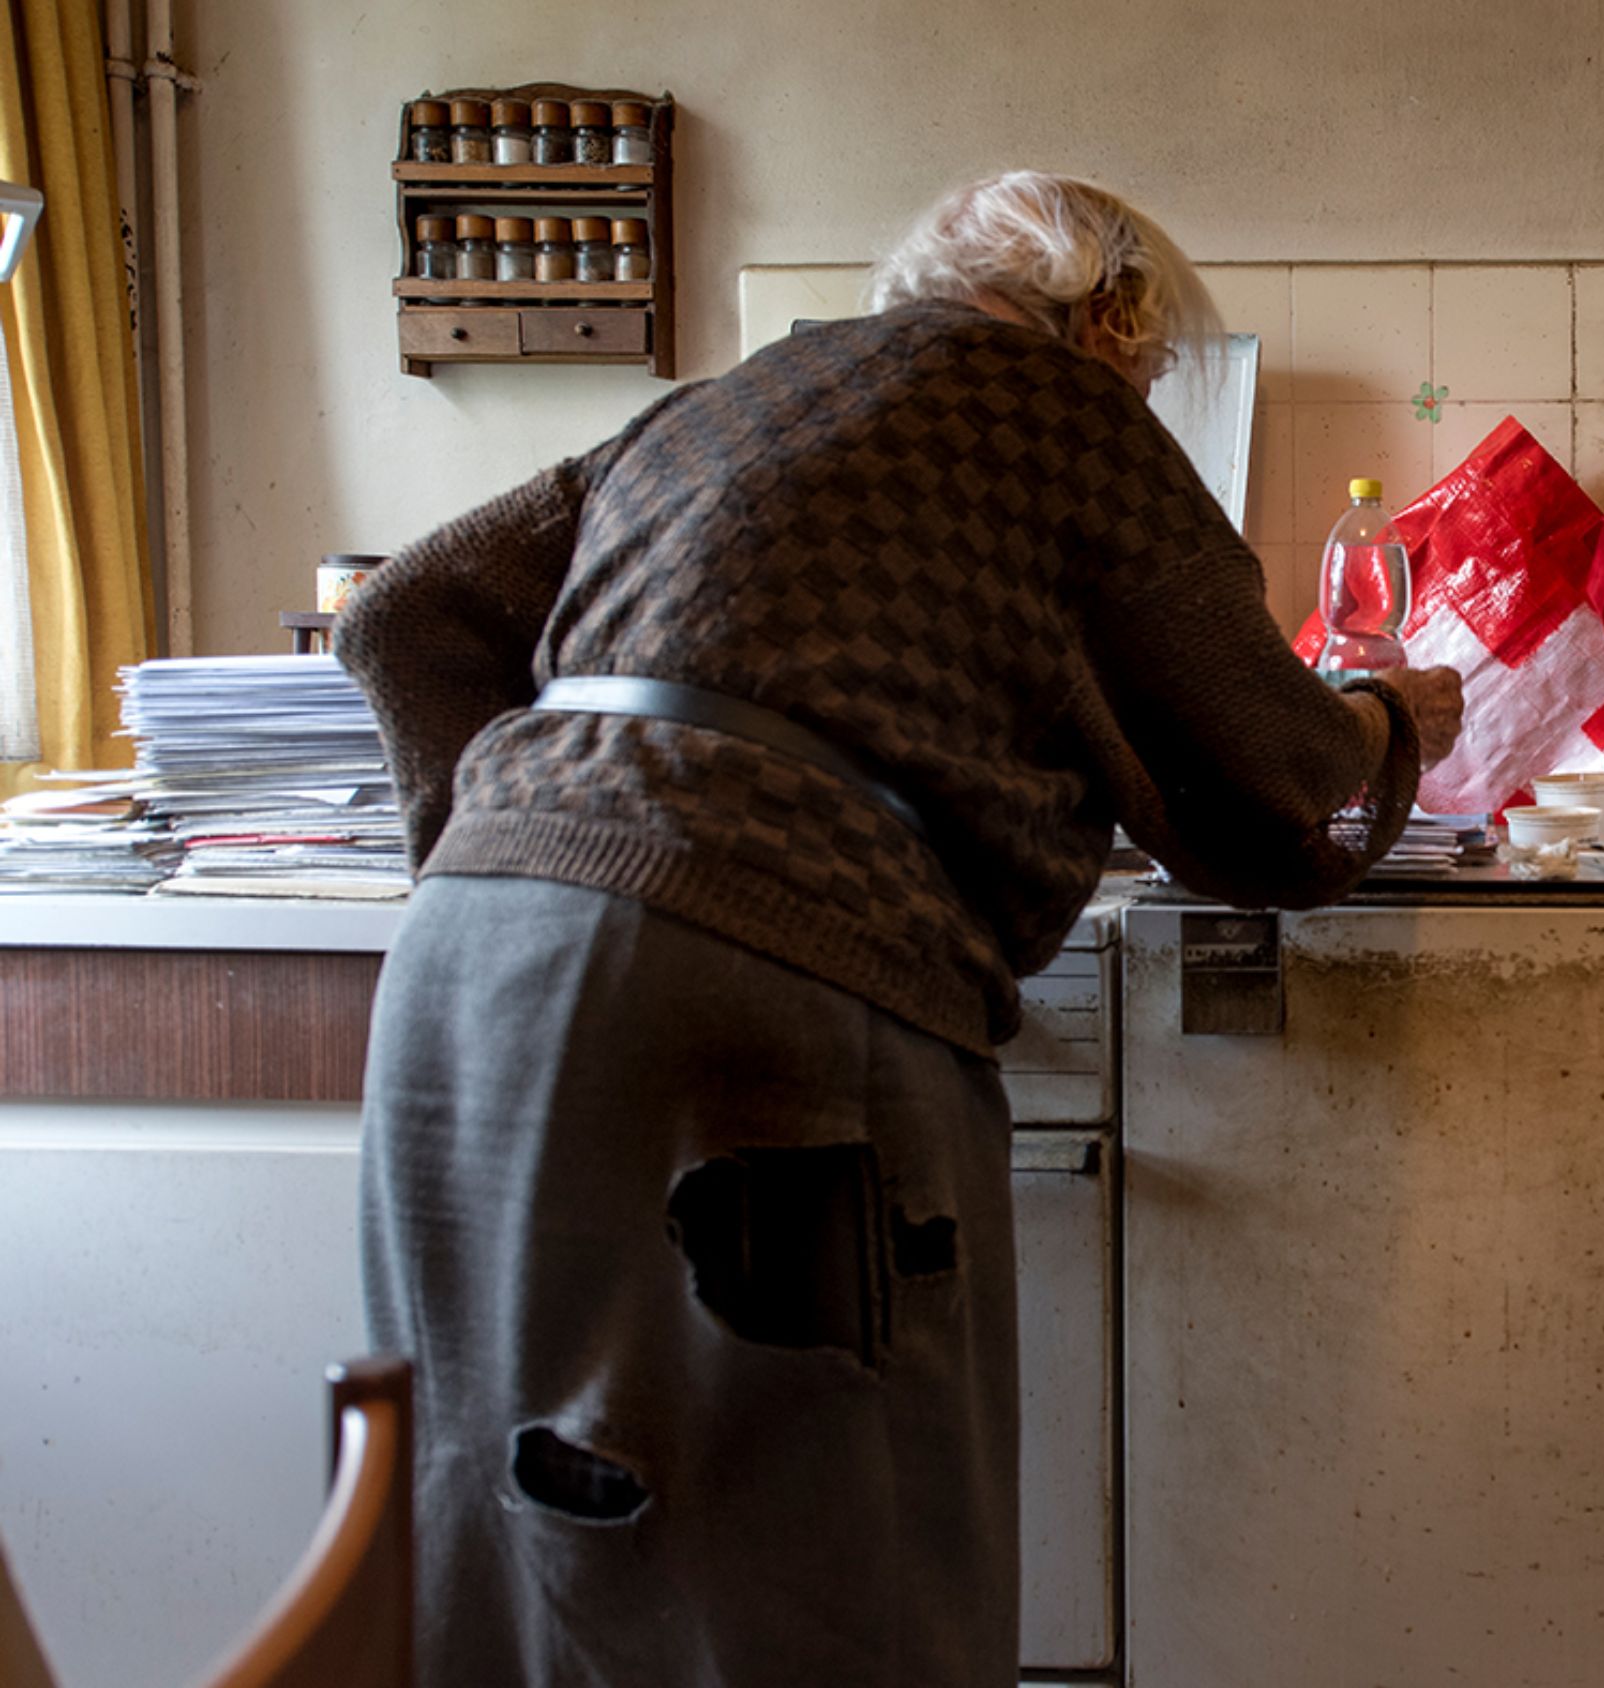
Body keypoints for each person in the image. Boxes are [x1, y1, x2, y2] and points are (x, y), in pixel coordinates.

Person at [337, 170, 1461, 1688]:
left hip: (462, 982)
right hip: (759, 993)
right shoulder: (1061, 418)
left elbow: (401, 614)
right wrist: (1394, 718)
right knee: (848, 1584)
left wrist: (531, 853)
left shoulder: (724, 406)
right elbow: (1275, 784)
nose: (1142, 382)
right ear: (1115, 316)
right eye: (1147, 357)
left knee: (519, 1568)